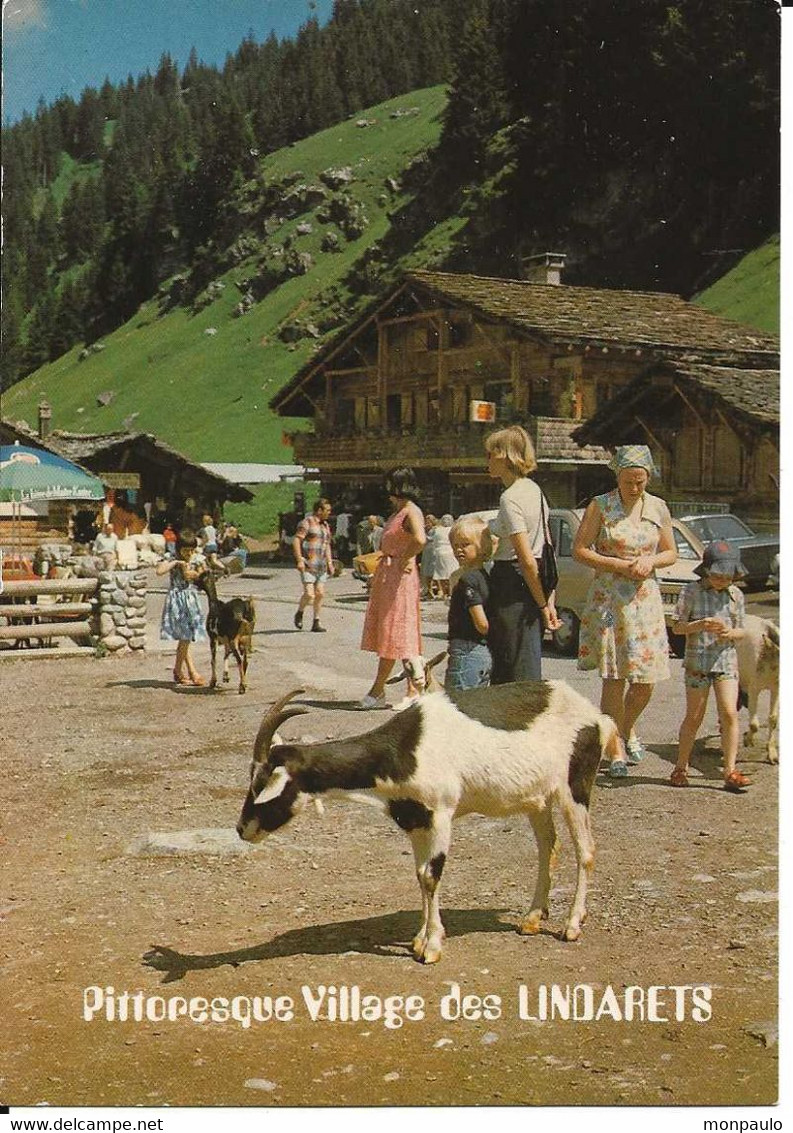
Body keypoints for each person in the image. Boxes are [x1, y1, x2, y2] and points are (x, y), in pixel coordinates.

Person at [573, 444, 677, 776]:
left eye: (641, 482)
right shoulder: (600, 506)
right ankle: (614, 749)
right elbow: (580, 550)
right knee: (615, 678)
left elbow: (671, 553)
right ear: (617, 476)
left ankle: (625, 727)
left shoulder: (658, 507)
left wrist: (651, 560)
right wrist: (617, 564)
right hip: (610, 601)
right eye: (629, 481)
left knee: (646, 680)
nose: (635, 488)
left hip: (645, 601)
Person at [669, 541, 749, 792]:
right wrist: (699, 624)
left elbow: (742, 630)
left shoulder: (736, 595)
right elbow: (677, 627)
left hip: (725, 661)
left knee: (729, 713)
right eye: (716, 575)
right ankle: (680, 767)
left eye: (727, 576)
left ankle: (730, 770)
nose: (721, 580)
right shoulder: (691, 592)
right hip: (698, 662)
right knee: (694, 716)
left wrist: (729, 631)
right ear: (705, 570)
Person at [484, 425, 561, 683]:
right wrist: (547, 599)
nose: (487, 460)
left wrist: (542, 603)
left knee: (511, 664)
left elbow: (526, 557)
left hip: (512, 582)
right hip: (535, 579)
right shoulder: (535, 490)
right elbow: (545, 547)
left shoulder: (511, 498)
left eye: (490, 454)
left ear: (504, 456)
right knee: (526, 656)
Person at [359, 468, 426, 709]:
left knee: (396, 629)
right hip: (390, 574)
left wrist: (406, 557)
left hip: (399, 576)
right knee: (395, 630)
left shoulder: (411, 511)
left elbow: (420, 539)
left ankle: (379, 690)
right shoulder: (401, 511)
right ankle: (412, 689)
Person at [445, 515, 493, 691]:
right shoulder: (485, 577)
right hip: (484, 652)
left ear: (482, 546)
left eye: (465, 545)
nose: (459, 550)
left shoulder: (468, 580)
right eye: (455, 546)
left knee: (457, 706)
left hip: (467, 651)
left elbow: (482, 624)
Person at [156, 529, 207, 686]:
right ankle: (186, 671)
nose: (188, 553)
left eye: (191, 550)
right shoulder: (172, 558)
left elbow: (202, 574)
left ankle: (182, 671)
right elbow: (159, 571)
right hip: (177, 599)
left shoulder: (197, 559)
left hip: (191, 599)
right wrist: (176, 563)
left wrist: (190, 572)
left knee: (187, 637)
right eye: (185, 550)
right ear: (178, 549)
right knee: (185, 636)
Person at [292, 498, 334, 632]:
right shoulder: (307, 522)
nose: (329, 513)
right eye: (327, 510)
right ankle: (300, 612)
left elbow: (326, 545)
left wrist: (330, 562)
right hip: (308, 564)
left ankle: (316, 621)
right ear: (319, 510)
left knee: (320, 593)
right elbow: (296, 540)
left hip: (321, 565)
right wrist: (299, 559)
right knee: (310, 594)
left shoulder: (325, 526)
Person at [431, 514, 458, 600]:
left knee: (441, 574)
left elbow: (434, 543)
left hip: (440, 552)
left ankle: (444, 593)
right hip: (451, 552)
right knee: (451, 573)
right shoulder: (454, 530)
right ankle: (451, 592)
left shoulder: (437, 530)